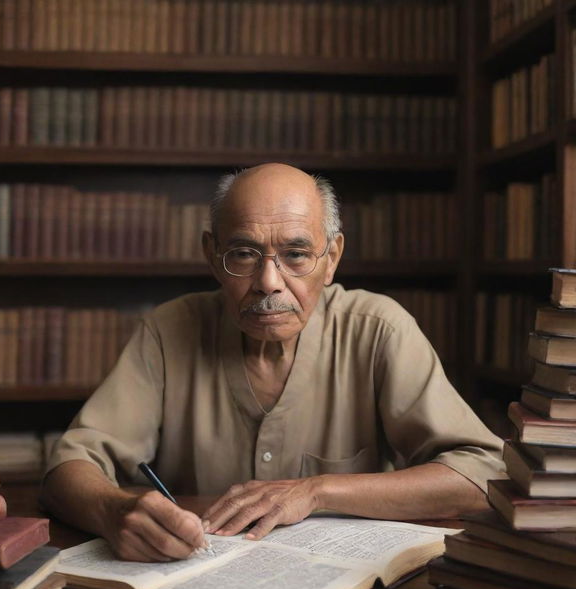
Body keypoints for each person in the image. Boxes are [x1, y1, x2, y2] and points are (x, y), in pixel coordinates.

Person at [41, 163, 505, 562]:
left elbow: (484, 473)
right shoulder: (170, 330)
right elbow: (70, 465)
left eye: (296, 255)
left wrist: (317, 491)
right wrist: (114, 510)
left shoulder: (377, 329)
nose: (268, 282)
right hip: (194, 578)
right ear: (211, 256)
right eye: (243, 254)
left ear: (332, 258)